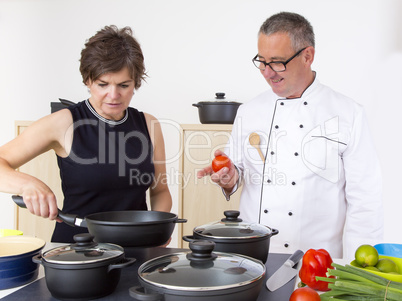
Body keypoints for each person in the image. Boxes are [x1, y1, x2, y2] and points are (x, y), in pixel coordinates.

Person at [198, 12, 383, 260]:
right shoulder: (248, 111)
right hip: (254, 257)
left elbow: (365, 202)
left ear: (308, 56)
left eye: (276, 62)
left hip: (319, 263)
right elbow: (237, 170)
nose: (267, 72)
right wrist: (229, 177)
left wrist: (359, 269)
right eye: (261, 61)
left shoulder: (348, 114)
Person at [0, 25, 172, 243]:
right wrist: (27, 184)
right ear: (88, 80)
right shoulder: (64, 123)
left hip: (135, 250)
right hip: (76, 250)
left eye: (124, 85)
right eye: (103, 84)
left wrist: (159, 233)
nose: (113, 95)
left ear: (135, 83)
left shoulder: (148, 124)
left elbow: (160, 191)